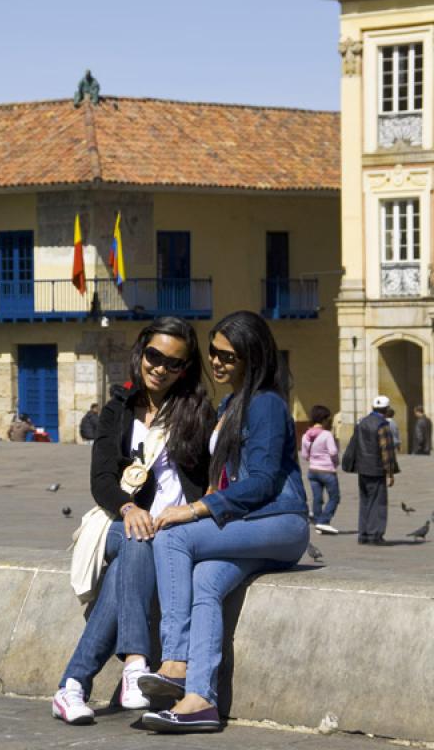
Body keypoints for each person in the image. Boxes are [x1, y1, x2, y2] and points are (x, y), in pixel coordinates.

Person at [138, 310, 309, 733]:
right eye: (213, 353)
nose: (217, 362)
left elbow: (265, 481)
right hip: (251, 526)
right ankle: (200, 701)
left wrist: (195, 509)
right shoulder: (232, 402)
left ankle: (175, 660)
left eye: (228, 357)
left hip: (280, 520)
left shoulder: (266, 403)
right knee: (208, 579)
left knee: (173, 537)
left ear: (252, 358)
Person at [52, 316, 215, 725]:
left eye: (172, 363)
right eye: (153, 356)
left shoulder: (196, 412)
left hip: (173, 528)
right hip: (116, 521)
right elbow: (102, 478)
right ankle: (136, 664)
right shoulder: (118, 410)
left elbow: (212, 475)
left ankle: (72, 685)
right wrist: (129, 508)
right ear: (141, 353)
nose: (159, 368)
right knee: (134, 539)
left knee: (131, 559)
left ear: (185, 369)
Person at [355, 395, 398, 546]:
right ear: (386, 410)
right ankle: (375, 534)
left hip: (362, 468)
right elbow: (386, 451)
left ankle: (363, 534)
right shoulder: (382, 425)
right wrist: (390, 473)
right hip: (376, 469)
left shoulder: (362, 422)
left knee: (365, 501)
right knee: (378, 502)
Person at [301, 405, 340, 535]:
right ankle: (323, 521)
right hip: (327, 471)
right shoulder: (326, 435)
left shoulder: (306, 435)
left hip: (313, 470)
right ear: (324, 419)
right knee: (335, 497)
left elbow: (304, 455)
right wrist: (335, 462)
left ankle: (318, 521)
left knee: (317, 498)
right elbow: (333, 452)